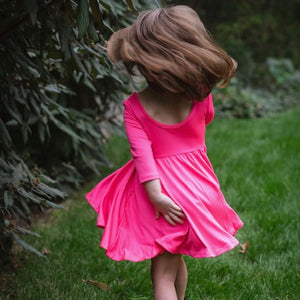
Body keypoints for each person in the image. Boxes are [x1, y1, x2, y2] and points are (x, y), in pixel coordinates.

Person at [86, 5, 243, 300]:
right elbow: (205, 120)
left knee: (162, 274)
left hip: (162, 193)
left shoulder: (135, 106)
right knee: (175, 255)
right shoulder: (201, 95)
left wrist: (156, 195)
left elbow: (142, 157)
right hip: (198, 186)